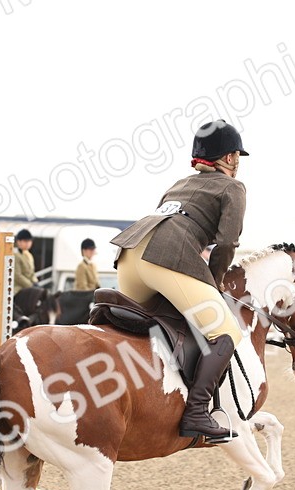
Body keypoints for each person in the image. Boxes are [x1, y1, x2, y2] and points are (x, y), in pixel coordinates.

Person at [110, 119, 248, 442]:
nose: (238, 162)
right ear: (228, 158)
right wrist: (215, 281)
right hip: (166, 255)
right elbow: (227, 243)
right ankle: (197, 412)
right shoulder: (233, 188)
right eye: (237, 156)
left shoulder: (179, 184)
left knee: (161, 320)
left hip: (130, 253)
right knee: (225, 328)